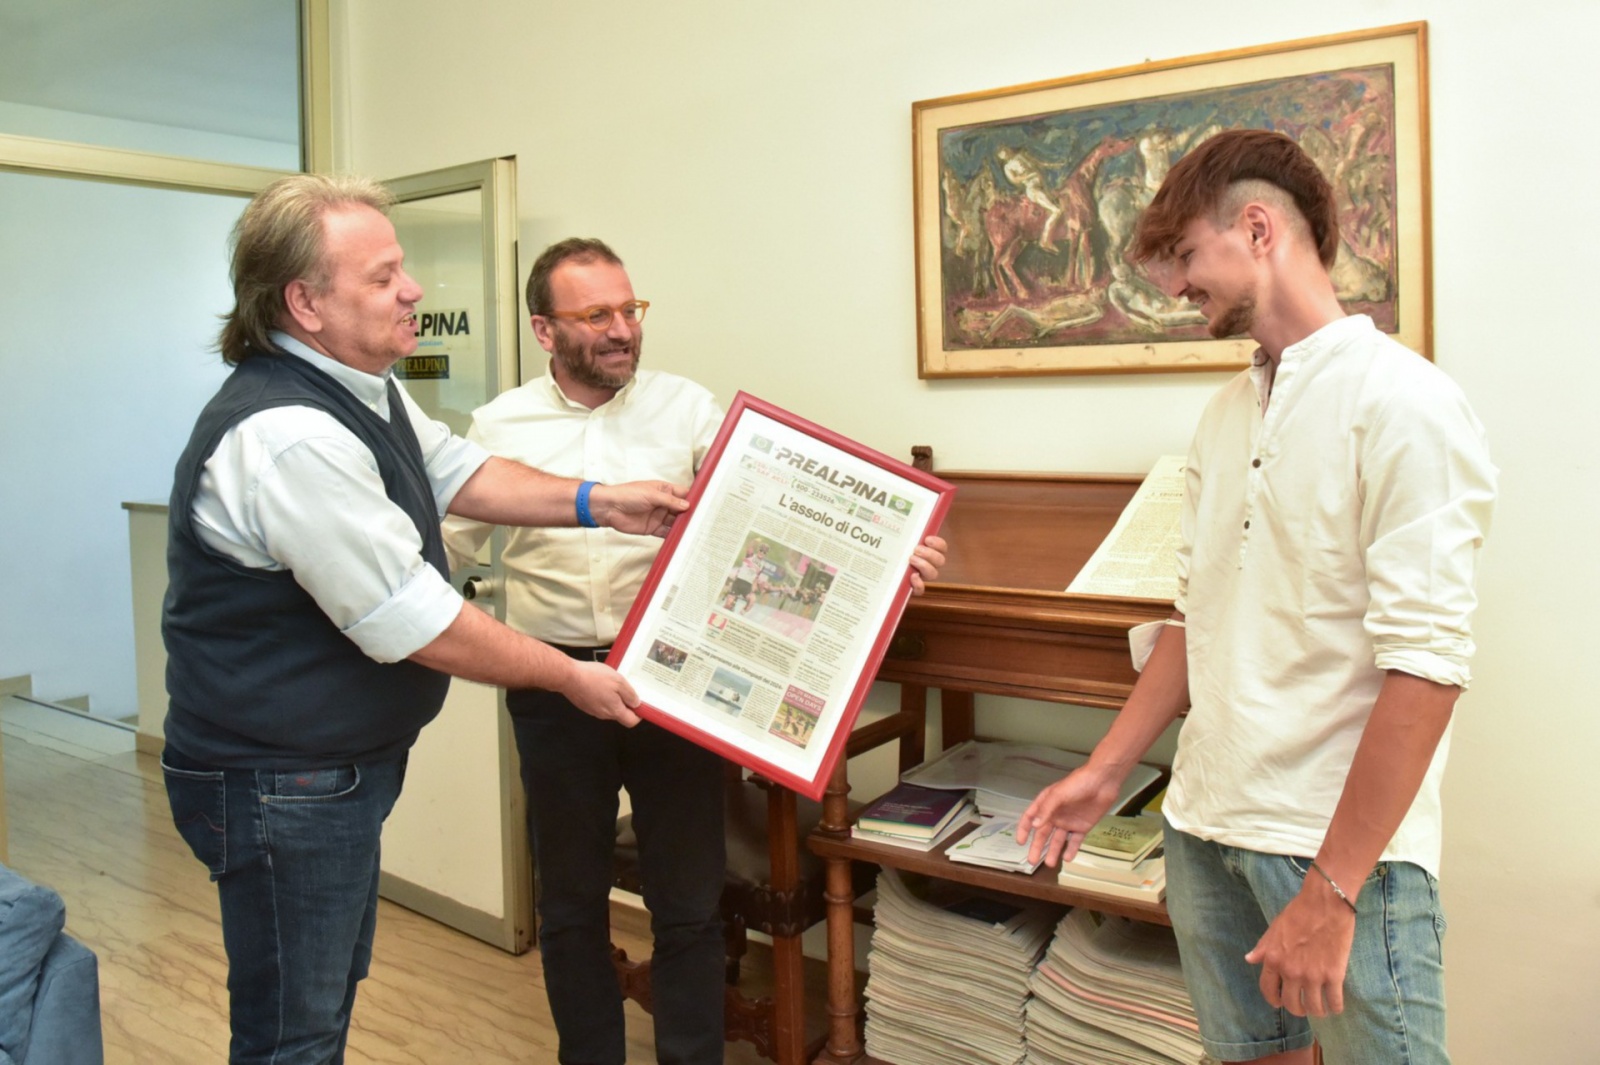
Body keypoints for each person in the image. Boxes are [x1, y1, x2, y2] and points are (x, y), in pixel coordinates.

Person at [160, 178, 688, 1065]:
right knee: (295, 1030)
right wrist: (568, 674)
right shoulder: (292, 435)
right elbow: (412, 619)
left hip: (329, 768)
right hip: (278, 780)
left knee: (321, 1001)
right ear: (305, 302)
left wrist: (603, 501)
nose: (413, 290)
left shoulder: (367, 389)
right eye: (383, 276)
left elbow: (467, 475)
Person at [1015, 130, 1495, 1065]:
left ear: (1260, 228)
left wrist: (1333, 888)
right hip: (1205, 825)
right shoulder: (1226, 413)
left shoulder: (1407, 405)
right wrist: (1108, 771)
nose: (1173, 288)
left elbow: (1427, 669)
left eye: (1188, 256)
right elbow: (1200, 619)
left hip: (1339, 850)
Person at [443, 237, 946, 1065]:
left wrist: (890, 557)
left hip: (671, 686)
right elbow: (449, 547)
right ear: (544, 330)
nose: (621, 330)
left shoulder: (687, 410)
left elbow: (783, 512)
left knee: (688, 901)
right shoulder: (499, 426)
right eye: (595, 314)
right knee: (569, 903)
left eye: (629, 310)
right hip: (555, 685)